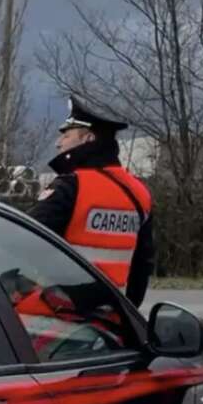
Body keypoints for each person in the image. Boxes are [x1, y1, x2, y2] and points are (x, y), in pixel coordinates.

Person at [29, 96, 156, 307]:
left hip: (58, 317)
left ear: (88, 138)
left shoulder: (71, 186)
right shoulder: (139, 192)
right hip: (112, 318)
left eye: (66, 135)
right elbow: (142, 267)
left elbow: (24, 240)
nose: (58, 143)